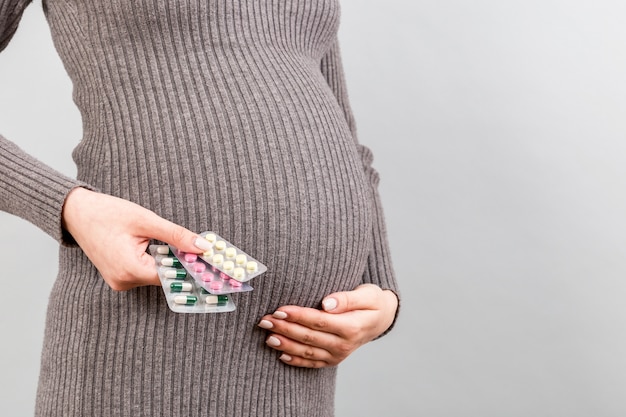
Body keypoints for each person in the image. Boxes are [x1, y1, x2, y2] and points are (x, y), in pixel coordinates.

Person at [0, 0, 400, 416]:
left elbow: (348, 142)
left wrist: (379, 292)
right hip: (145, 345)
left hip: (296, 368)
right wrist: (68, 206)